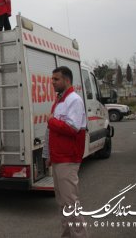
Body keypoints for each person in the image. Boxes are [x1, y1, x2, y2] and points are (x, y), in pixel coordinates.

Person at [43, 66, 88, 238]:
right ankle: (67, 235)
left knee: (70, 203)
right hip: (59, 159)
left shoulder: (74, 100)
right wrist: (48, 155)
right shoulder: (59, 100)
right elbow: (52, 132)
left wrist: (51, 121)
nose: (52, 82)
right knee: (62, 203)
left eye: (56, 79)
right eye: (52, 79)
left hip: (68, 160)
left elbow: (72, 128)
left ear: (67, 81)